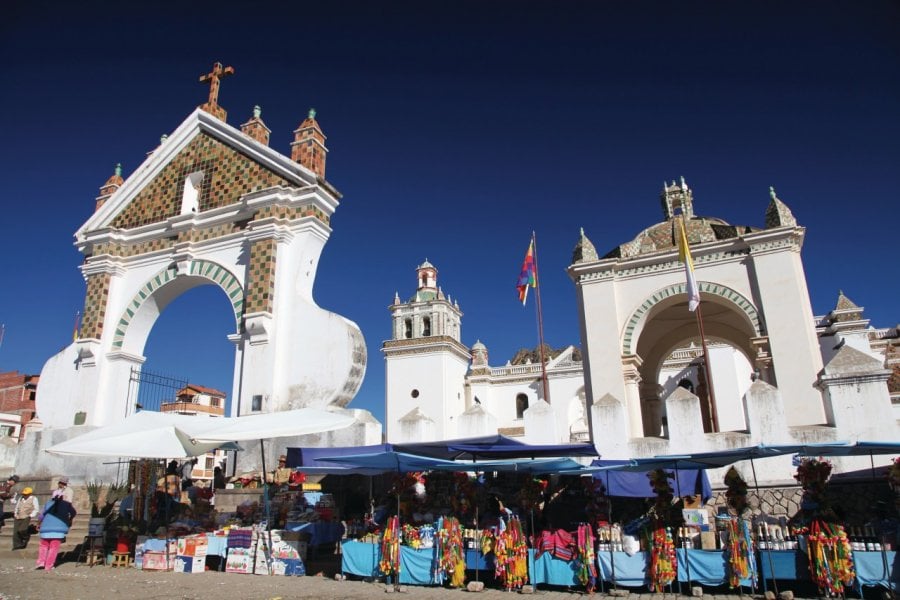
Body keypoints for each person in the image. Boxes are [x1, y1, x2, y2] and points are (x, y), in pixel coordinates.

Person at [35, 495, 77, 571]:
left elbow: (41, 515)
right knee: (53, 548)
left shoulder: (48, 503)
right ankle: (49, 565)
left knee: (43, 546)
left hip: (45, 528)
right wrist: (70, 519)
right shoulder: (67, 504)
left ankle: (41, 563)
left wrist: (38, 524)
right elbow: (73, 512)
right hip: (59, 529)